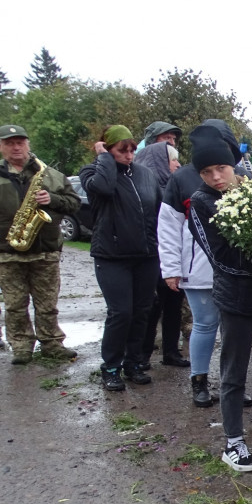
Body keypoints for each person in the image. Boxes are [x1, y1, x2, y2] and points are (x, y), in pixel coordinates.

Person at [188, 124, 252, 472]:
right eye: (207, 171)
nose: (216, 177)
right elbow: (218, 256)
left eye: (221, 168)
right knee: (234, 371)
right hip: (235, 298)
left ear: (233, 164)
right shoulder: (201, 203)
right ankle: (233, 440)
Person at [159, 119, 252, 408]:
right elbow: (168, 225)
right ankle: (199, 381)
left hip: (237, 270)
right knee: (204, 324)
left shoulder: (240, 177)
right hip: (198, 269)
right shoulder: (184, 178)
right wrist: (171, 268)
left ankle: (231, 383)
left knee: (233, 330)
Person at [80, 125, 163, 391]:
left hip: (146, 254)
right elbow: (103, 189)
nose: (129, 156)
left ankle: (133, 363)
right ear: (106, 147)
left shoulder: (145, 174)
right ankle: (111, 367)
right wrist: (103, 157)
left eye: (131, 150)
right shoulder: (93, 172)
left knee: (142, 311)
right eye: (121, 150)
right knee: (121, 313)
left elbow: (158, 208)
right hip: (112, 256)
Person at [0, 124, 81, 364]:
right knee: (14, 304)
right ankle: (22, 346)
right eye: (10, 142)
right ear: (2, 147)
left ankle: (52, 343)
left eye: (20, 142)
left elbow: (74, 203)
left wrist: (52, 199)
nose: (16, 147)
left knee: (48, 303)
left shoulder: (50, 175)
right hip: (7, 252)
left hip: (45, 251)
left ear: (28, 144)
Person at [135, 142, 188, 368]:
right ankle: (142, 355)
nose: (177, 163)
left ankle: (171, 351)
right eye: (172, 160)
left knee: (173, 304)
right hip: (152, 255)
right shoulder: (144, 185)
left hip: (173, 255)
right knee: (151, 305)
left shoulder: (175, 186)